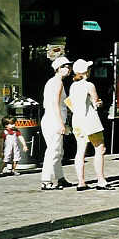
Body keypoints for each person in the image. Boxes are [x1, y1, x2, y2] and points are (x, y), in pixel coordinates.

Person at [69, 59, 112, 190]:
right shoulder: (89, 85)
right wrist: (100, 103)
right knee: (100, 149)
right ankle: (101, 179)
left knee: (80, 150)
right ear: (86, 71)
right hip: (90, 120)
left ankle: (81, 182)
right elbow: (96, 102)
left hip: (77, 121)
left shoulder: (72, 86)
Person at [40, 57, 74, 190]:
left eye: (69, 67)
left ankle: (60, 178)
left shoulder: (52, 82)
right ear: (58, 68)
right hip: (54, 120)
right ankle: (46, 180)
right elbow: (55, 104)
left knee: (58, 151)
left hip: (49, 119)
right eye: (66, 66)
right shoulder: (58, 83)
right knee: (53, 151)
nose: (69, 69)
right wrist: (61, 123)